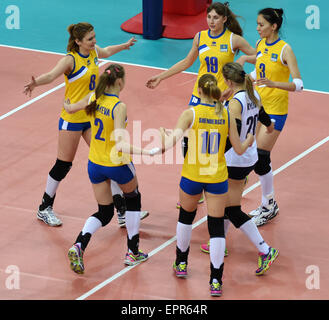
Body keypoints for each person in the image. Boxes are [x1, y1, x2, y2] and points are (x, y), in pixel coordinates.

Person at [23, 22, 148, 227]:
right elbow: (51, 75)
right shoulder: (70, 60)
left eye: (94, 37)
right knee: (63, 165)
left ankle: (123, 212)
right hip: (71, 118)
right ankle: (44, 207)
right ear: (78, 41)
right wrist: (36, 82)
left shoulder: (93, 52)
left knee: (110, 160)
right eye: (90, 39)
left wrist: (124, 46)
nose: (94, 41)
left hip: (90, 117)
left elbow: (106, 50)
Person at [146, 2, 255, 208]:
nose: (211, 21)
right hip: (199, 96)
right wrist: (161, 77)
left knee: (220, 144)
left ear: (224, 19)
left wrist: (241, 71)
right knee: (189, 142)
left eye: (215, 18)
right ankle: (195, 188)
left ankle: (236, 176)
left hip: (221, 99)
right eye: (209, 17)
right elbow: (187, 62)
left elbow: (260, 57)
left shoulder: (233, 39)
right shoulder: (200, 37)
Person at [159, 73, 254, 297]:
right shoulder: (227, 115)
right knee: (216, 227)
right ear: (216, 92)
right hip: (217, 177)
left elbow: (169, 143)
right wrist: (249, 140)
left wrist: (165, 134)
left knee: (185, 217)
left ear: (199, 91)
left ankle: (181, 264)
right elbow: (239, 149)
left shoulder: (190, 113)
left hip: (192, 174)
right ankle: (215, 280)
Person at [63, 64, 159, 273]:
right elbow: (120, 144)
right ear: (119, 82)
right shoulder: (119, 106)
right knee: (133, 198)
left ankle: (79, 244)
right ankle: (132, 252)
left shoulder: (93, 98)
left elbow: (70, 108)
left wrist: (67, 101)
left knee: (104, 212)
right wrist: (148, 152)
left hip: (95, 164)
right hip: (117, 164)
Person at [200, 62, 279, 276]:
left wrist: (212, 156)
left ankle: (265, 250)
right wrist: (270, 126)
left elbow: (231, 136)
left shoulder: (236, 103)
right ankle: (220, 243)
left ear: (227, 81)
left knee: (230, 210)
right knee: (229, 204)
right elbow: (264, 117)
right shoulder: (253, 95)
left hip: (235, 158)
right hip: (248, 157)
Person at [238, 8, 303, 226]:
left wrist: (275, 84)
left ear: (273, 26)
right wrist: (247, 77)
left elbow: (299, 84)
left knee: (261, 156)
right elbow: (261, 71)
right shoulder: (260, 45)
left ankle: (269, 205)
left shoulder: (286, 49)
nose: (257, 29)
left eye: (261, 25)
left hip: (276, 110)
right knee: (248, 151)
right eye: (257, 24)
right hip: (258, 106)